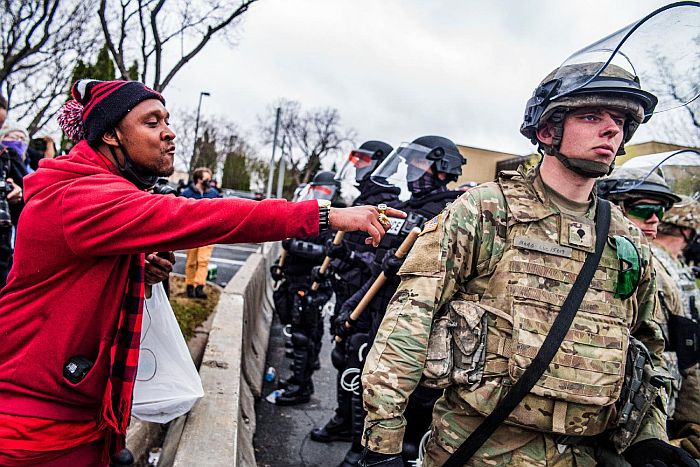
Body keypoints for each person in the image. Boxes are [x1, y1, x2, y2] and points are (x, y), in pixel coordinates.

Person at [0, 78, 401, 465]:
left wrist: (136, 266)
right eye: (152, 122)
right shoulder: (82, 196)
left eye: (168, 120)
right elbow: (203, 215)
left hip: (73, 407)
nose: (169, 133)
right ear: (111, 135)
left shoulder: (92, 188)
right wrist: (326, 214)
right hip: (37, 420)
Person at [360, 62, 696, 467]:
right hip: (480, 451)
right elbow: (407, 325)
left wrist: (647, 435)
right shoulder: (485, 211)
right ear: (546, 130)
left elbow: (648, 346)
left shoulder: (625, 238)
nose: (612, 129)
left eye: (621, 120)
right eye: (592, 116)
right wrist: (383, 442)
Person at [335, 136, 466, 467]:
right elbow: (377, 269)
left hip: (420, 332)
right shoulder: (407, 211)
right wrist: (351, 310)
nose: (410, 171)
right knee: (370, 392)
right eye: (408, 164)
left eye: (418, 165)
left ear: (441, 169)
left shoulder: (452, 215)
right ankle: (360, 451)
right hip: (383, 317)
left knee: (412, 421)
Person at [599, 166, 700, 461]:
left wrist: (689, 421)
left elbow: (682, 350)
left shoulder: (658, 271)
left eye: (661, 210)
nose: (655, 219)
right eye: (644, 209)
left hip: (647, 421)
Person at [311, 140, 398, 444]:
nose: (358, 166)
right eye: (355, 160)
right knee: (341, 358)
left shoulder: (386, 205)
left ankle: (357, 434)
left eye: (362, 160)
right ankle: (343, 419)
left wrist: (349, 259)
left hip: (365, 300)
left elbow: (377, 261)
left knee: (356, 364)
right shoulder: (364, 198)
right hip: (346, 294)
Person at [271, 171, 340, 406]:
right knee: (296, 331)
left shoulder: (333, 218)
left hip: (311, 285)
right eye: (318, 189)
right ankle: (297, 380)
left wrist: (293, 244)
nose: (320, 195)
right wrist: (278, 267)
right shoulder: (307, 212)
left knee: (304, 337)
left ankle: (301, 387)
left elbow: (325, 252)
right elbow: (288, 250)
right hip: (294, 279)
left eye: (325, 191)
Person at [181, 167, 221, 299]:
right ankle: (190, 286)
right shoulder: (187, 193)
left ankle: (199, 286)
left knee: (203, 261)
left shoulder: (214, 193)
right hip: (192, 233)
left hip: (208, 233)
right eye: (207, 179)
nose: (210, 181)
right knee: (191, 261)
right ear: (199, 179)